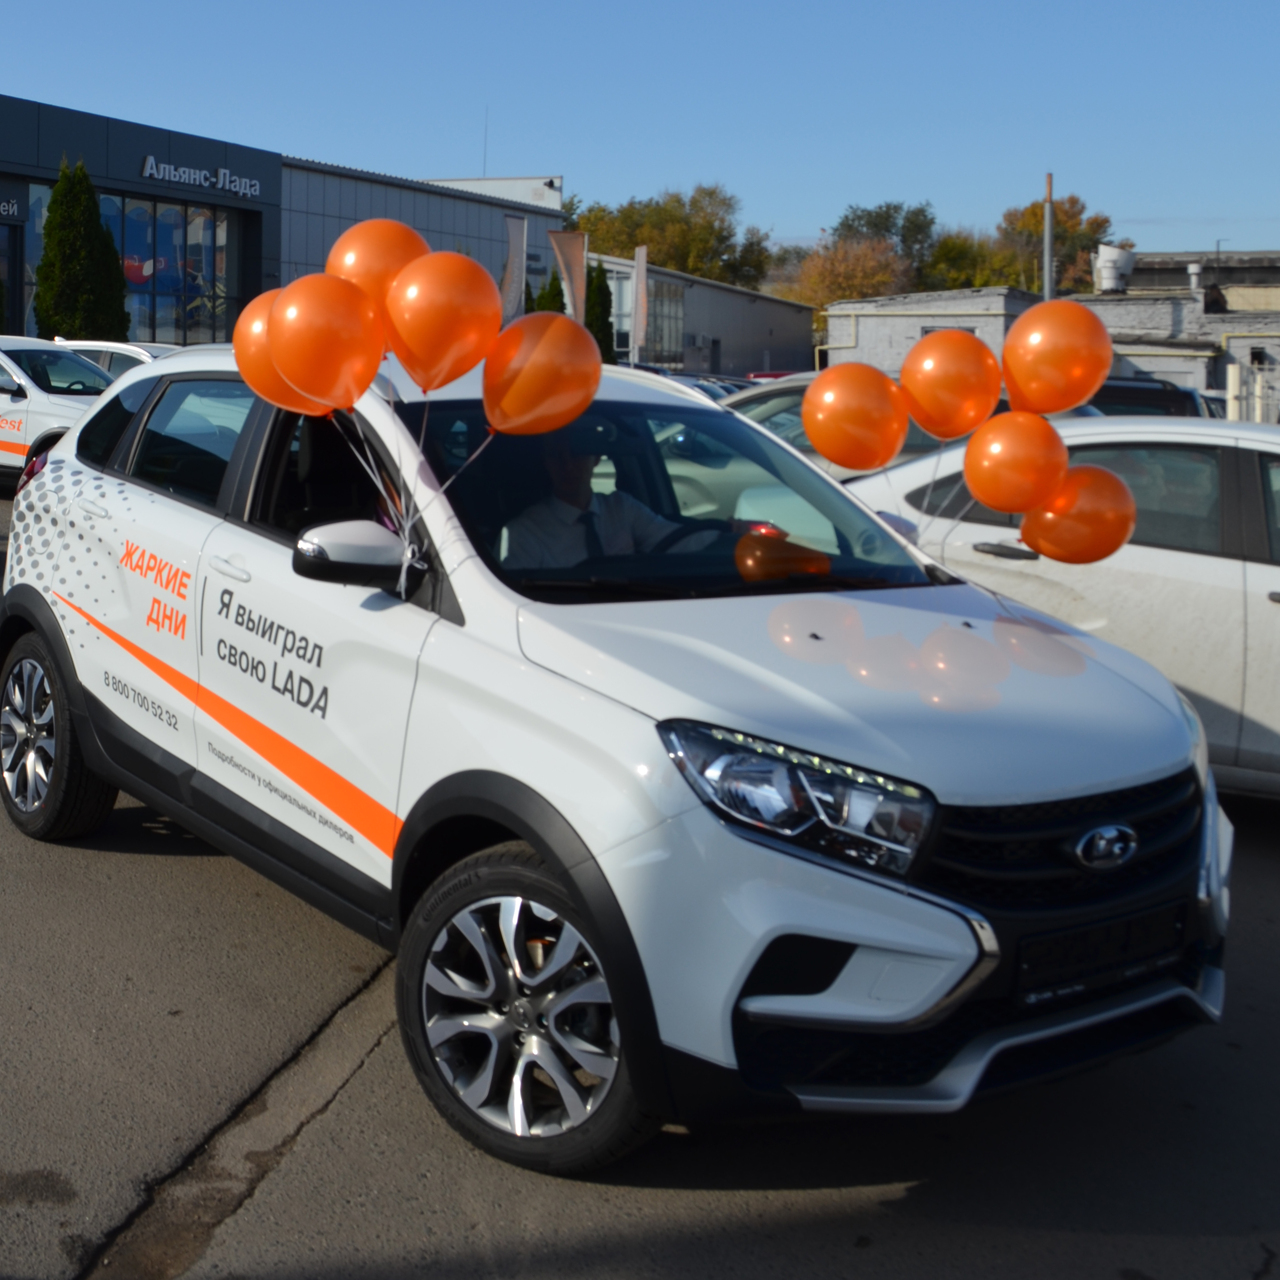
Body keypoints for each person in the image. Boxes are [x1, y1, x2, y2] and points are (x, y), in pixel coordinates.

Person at [502, 430, 749, 570]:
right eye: (557, 456)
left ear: (596, 458)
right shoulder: (524, 533)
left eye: (576, 455)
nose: (567, 466)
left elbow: (675, 539)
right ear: (546, 463)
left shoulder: (621, 508)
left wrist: (730, 535)